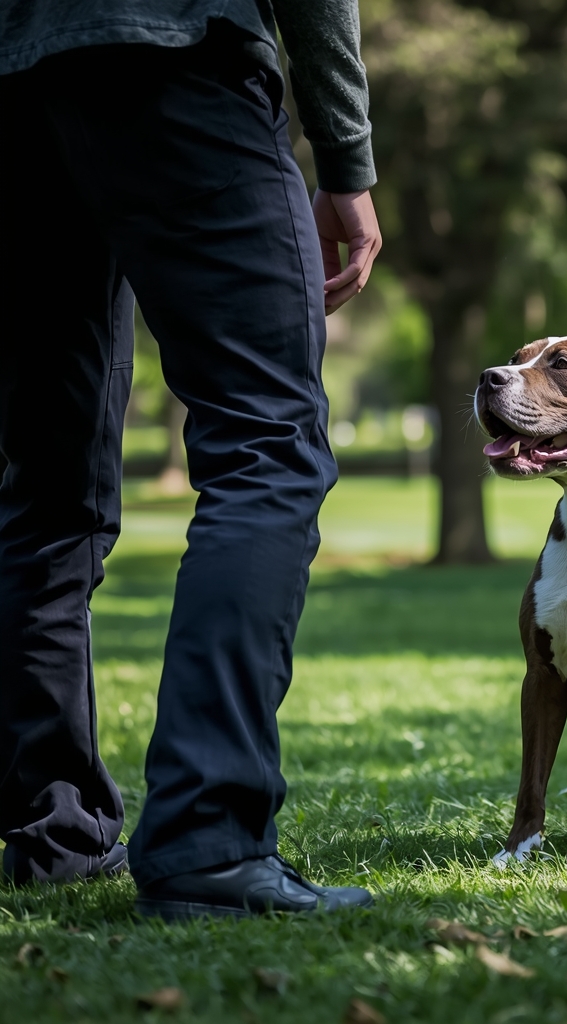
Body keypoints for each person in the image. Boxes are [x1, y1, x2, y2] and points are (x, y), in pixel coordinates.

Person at [0, 0, 382, 919]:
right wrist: (347, 156)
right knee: (268, 442)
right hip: (175, 51)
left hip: (16, 87)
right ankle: (209, 842)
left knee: (46, 486)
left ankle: (56, 836)